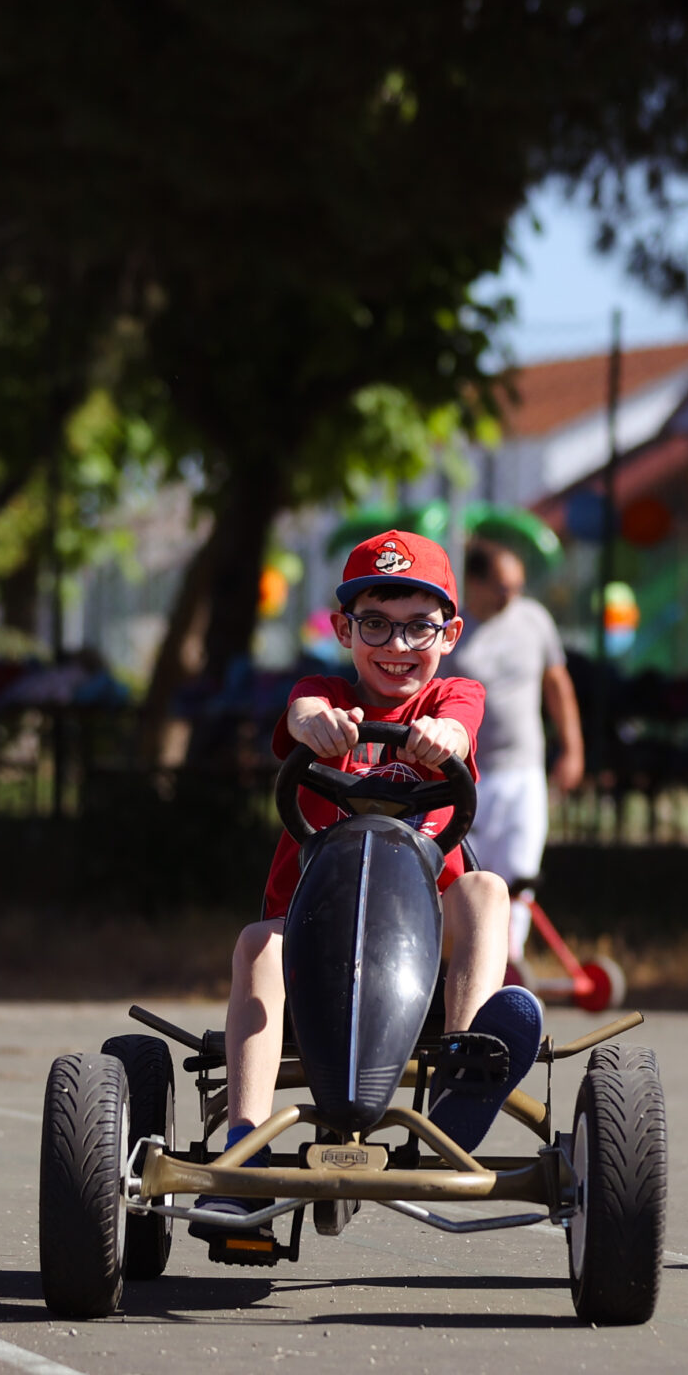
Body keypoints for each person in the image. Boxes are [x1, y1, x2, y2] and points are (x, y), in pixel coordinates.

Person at [204, 532, 544, 1252]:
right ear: (343, 631)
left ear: (449, 634)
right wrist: (316, 728)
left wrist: (443, 738)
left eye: (419, 626)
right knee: (257, 941)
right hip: (320, 943)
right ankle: (245, 1153)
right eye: (376, 623)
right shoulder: (324, 698)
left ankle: (462, 1068)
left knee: (484, 887)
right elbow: (299, 715)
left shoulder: (454, 693)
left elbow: (460, 721)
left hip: (420, 948)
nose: (398, 644)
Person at [443, 540, 584, 970]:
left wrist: (572, 748)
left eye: (519, 586)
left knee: (520, 871)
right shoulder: (452, 631)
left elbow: (557, 685)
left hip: (523, 768)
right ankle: (464, 960)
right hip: (469, 776)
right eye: (503, 587)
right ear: (475, 583)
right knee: (470, 876)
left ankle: (508, 960)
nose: (513, 596)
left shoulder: (533, 619)